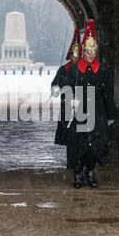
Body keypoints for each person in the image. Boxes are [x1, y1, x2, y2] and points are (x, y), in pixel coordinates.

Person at [66, 20, 117, 189]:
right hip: (80, 111)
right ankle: (78, 172)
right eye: (88, 52)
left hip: (98, 111)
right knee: (79, 144)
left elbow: (107, 93)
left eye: (93, 52)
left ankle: (91, 171)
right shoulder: (74, 70)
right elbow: (67, 90)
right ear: (83, 52)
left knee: (95, 144)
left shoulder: (102, 70)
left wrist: (110, 115)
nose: (91, 55)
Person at [50, 28, 81, 168]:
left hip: (81, 105)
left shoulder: (84, 69)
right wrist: (56, 91)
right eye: (74, 55)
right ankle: (71, 161)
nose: (76, 57)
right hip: (67, 105)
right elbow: (54, 84)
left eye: (78, 55)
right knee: (70, 135)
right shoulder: (63, 69)